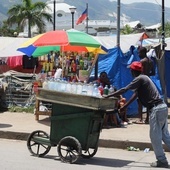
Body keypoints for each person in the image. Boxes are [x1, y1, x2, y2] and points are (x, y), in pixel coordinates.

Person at [104, 61, 170, 168]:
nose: (130, 71)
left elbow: (124, 89)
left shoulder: (139, 78)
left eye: (131, 70)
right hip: (162, 107)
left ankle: (162, 160)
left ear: (133, 71)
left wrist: (108, 96)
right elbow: (136, 95)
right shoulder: (144, 78)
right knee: (165, 136)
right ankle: (161, 159)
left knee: (155, 137)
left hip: (156, 109)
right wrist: (124, 107)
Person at [136, 47, 155, 124]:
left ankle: (140, 118)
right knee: (148, 100)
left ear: (143, 53)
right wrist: (147, 75)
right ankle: (147, 118)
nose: (138, 54)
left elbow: (139, 72)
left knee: (139, 100)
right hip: (149, 81)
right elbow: (153, 73)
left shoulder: (142, 61)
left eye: (139, 52)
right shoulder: (151, 61)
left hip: (141, 81)